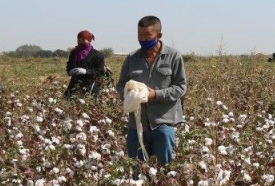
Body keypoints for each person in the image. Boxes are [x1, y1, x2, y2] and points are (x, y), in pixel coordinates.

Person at [116, 16, 187, 167]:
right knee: (136, 171)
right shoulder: (131, 58)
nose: (143, 38)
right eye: (139, 35)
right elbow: (121, 85)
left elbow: (181, 87)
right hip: (136, 125)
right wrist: (130, 93)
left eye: (147, 35)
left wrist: (155, 95)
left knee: (164, 170)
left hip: (163, 124)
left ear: (159, 35)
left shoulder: (173, 57)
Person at [64, 30, 107, 97]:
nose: (80, 42)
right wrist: (70, 71)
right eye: (79, 40)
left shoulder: (97, 55)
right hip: (74, 85)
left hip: (90, 86)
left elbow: (100, 71)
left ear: (89, 40)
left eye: (83, 40)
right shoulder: (74, 53)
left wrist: (86, 71)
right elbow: (69, 65)